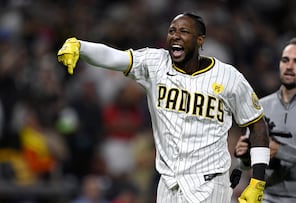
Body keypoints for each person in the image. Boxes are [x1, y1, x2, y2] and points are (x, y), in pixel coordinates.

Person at [57, 12, 270, 203]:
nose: (175, 36)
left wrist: (257, 181)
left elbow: (257, 125)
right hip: (168, 184)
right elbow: (116, 57)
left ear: (200, 40)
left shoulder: (228, 77)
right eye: (172, 31)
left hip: (209, 183)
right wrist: (81, 46)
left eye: (184, 31)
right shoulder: (156, 63)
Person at [234, 37, 296, 203]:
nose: (289, 66)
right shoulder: (261, 105)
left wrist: (281, 150)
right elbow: (247, 165)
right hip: (268, 197)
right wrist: (245, 155)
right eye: (285, 60)